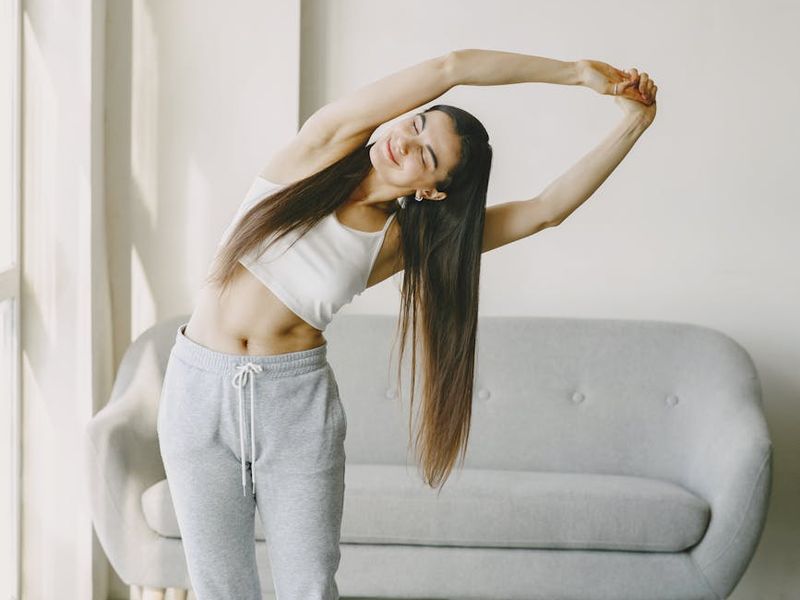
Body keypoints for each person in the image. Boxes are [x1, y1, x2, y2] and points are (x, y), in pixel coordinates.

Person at [157, 49, 657, 600]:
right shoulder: (317, 150)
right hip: (197, 390)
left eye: (427, 155)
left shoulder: (401, 243)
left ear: (432, 190)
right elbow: (452, 68)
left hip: (292, 406)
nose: (406, 142)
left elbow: (545, 209)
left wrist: (634, 123)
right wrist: (575, 74)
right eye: (417, 125)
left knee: (309, 588)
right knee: (217, 590)